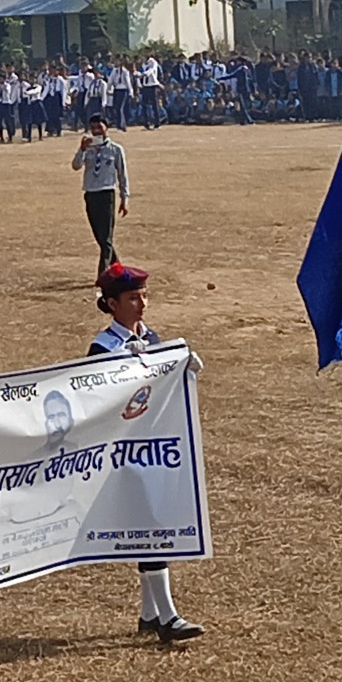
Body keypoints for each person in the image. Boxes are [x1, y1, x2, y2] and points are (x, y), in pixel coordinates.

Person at [87, 263, 205, 642]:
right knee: (149, 526)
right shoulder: (102, 348)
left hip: (154, 447)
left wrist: (183, 370)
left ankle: (150, 612)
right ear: (111, 304)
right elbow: (97, 400)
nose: (142, 304)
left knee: (152, 525)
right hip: (123, 452)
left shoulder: (152, 338)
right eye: (132, 298)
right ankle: (167, 616)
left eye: (143, 296)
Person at [71, 117, 129, 272]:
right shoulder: (87, 149)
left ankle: (102, 274)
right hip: (91, 194)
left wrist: (125, 198)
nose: (96, 131)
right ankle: (117, 267)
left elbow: (122, 175)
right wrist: (82, 149)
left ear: (106, 128)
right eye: (93, 128)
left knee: (106, 238)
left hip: (106, 194)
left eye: (99, 127)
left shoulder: (115, 149)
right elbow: (76, 166)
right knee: (100, 237)